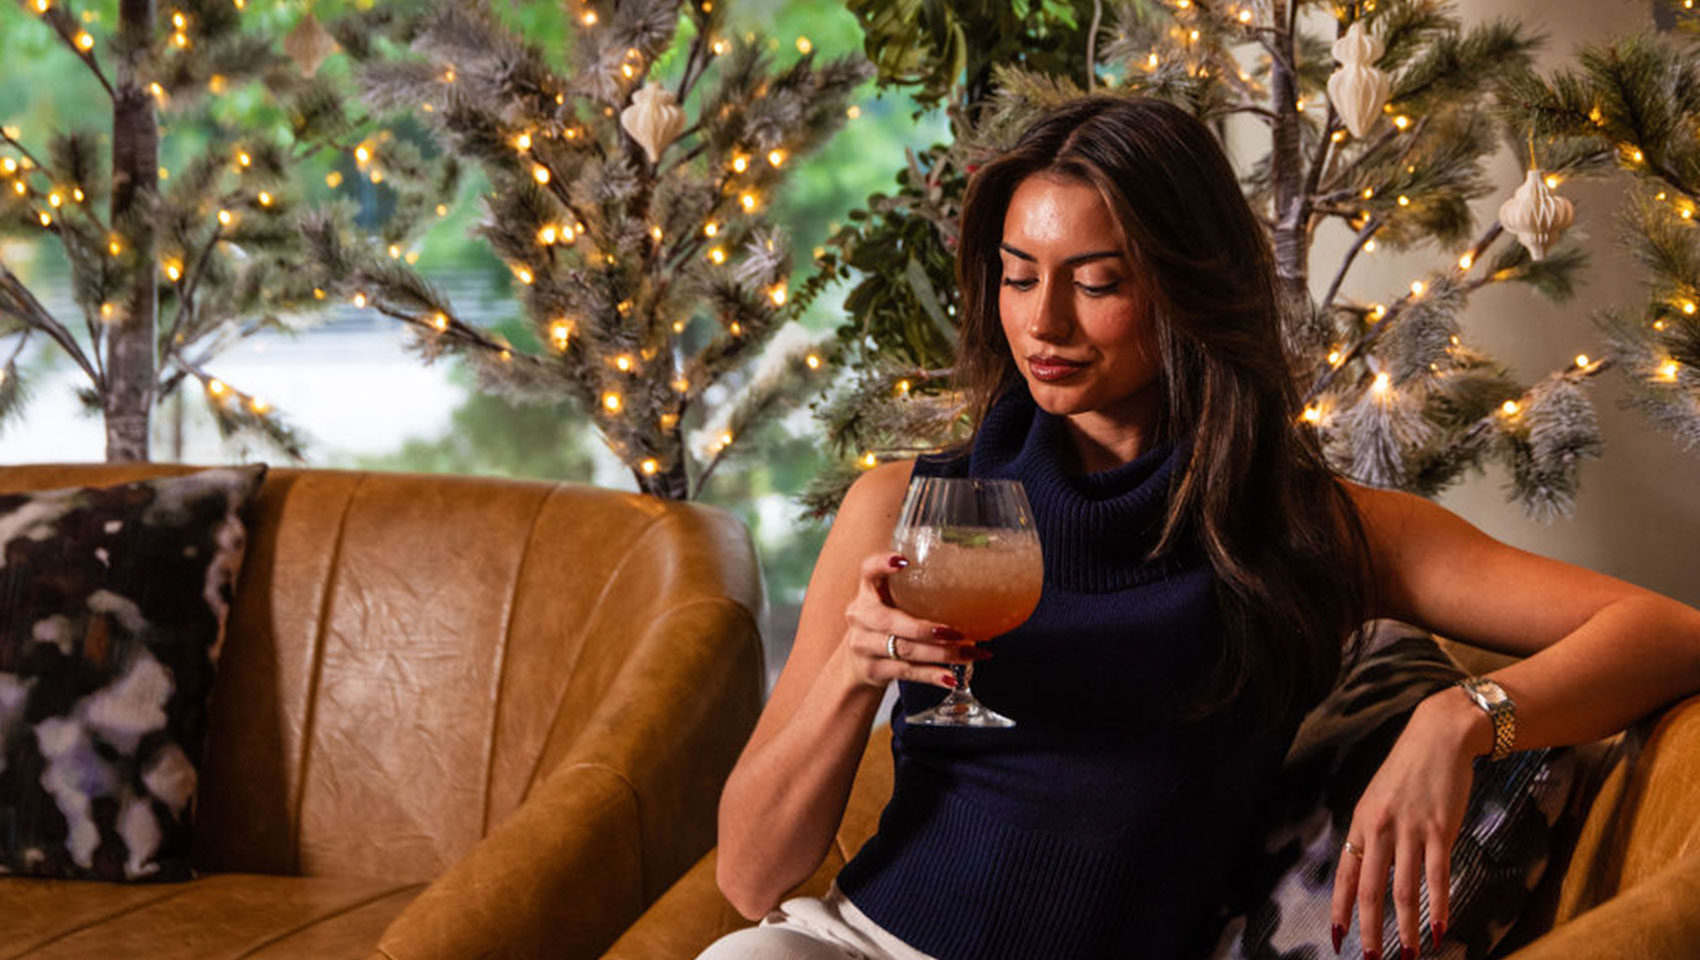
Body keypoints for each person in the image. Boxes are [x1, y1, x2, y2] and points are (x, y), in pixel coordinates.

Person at [699, 95, 1700, 960]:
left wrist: (1459, 722)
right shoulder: (905, 506)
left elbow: (1666, 631)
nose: (1042, 322)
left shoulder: (1304, 529)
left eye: (1094, 282)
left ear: (1185, 286)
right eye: (1016, 275)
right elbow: (751, 876)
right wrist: (851, 672)